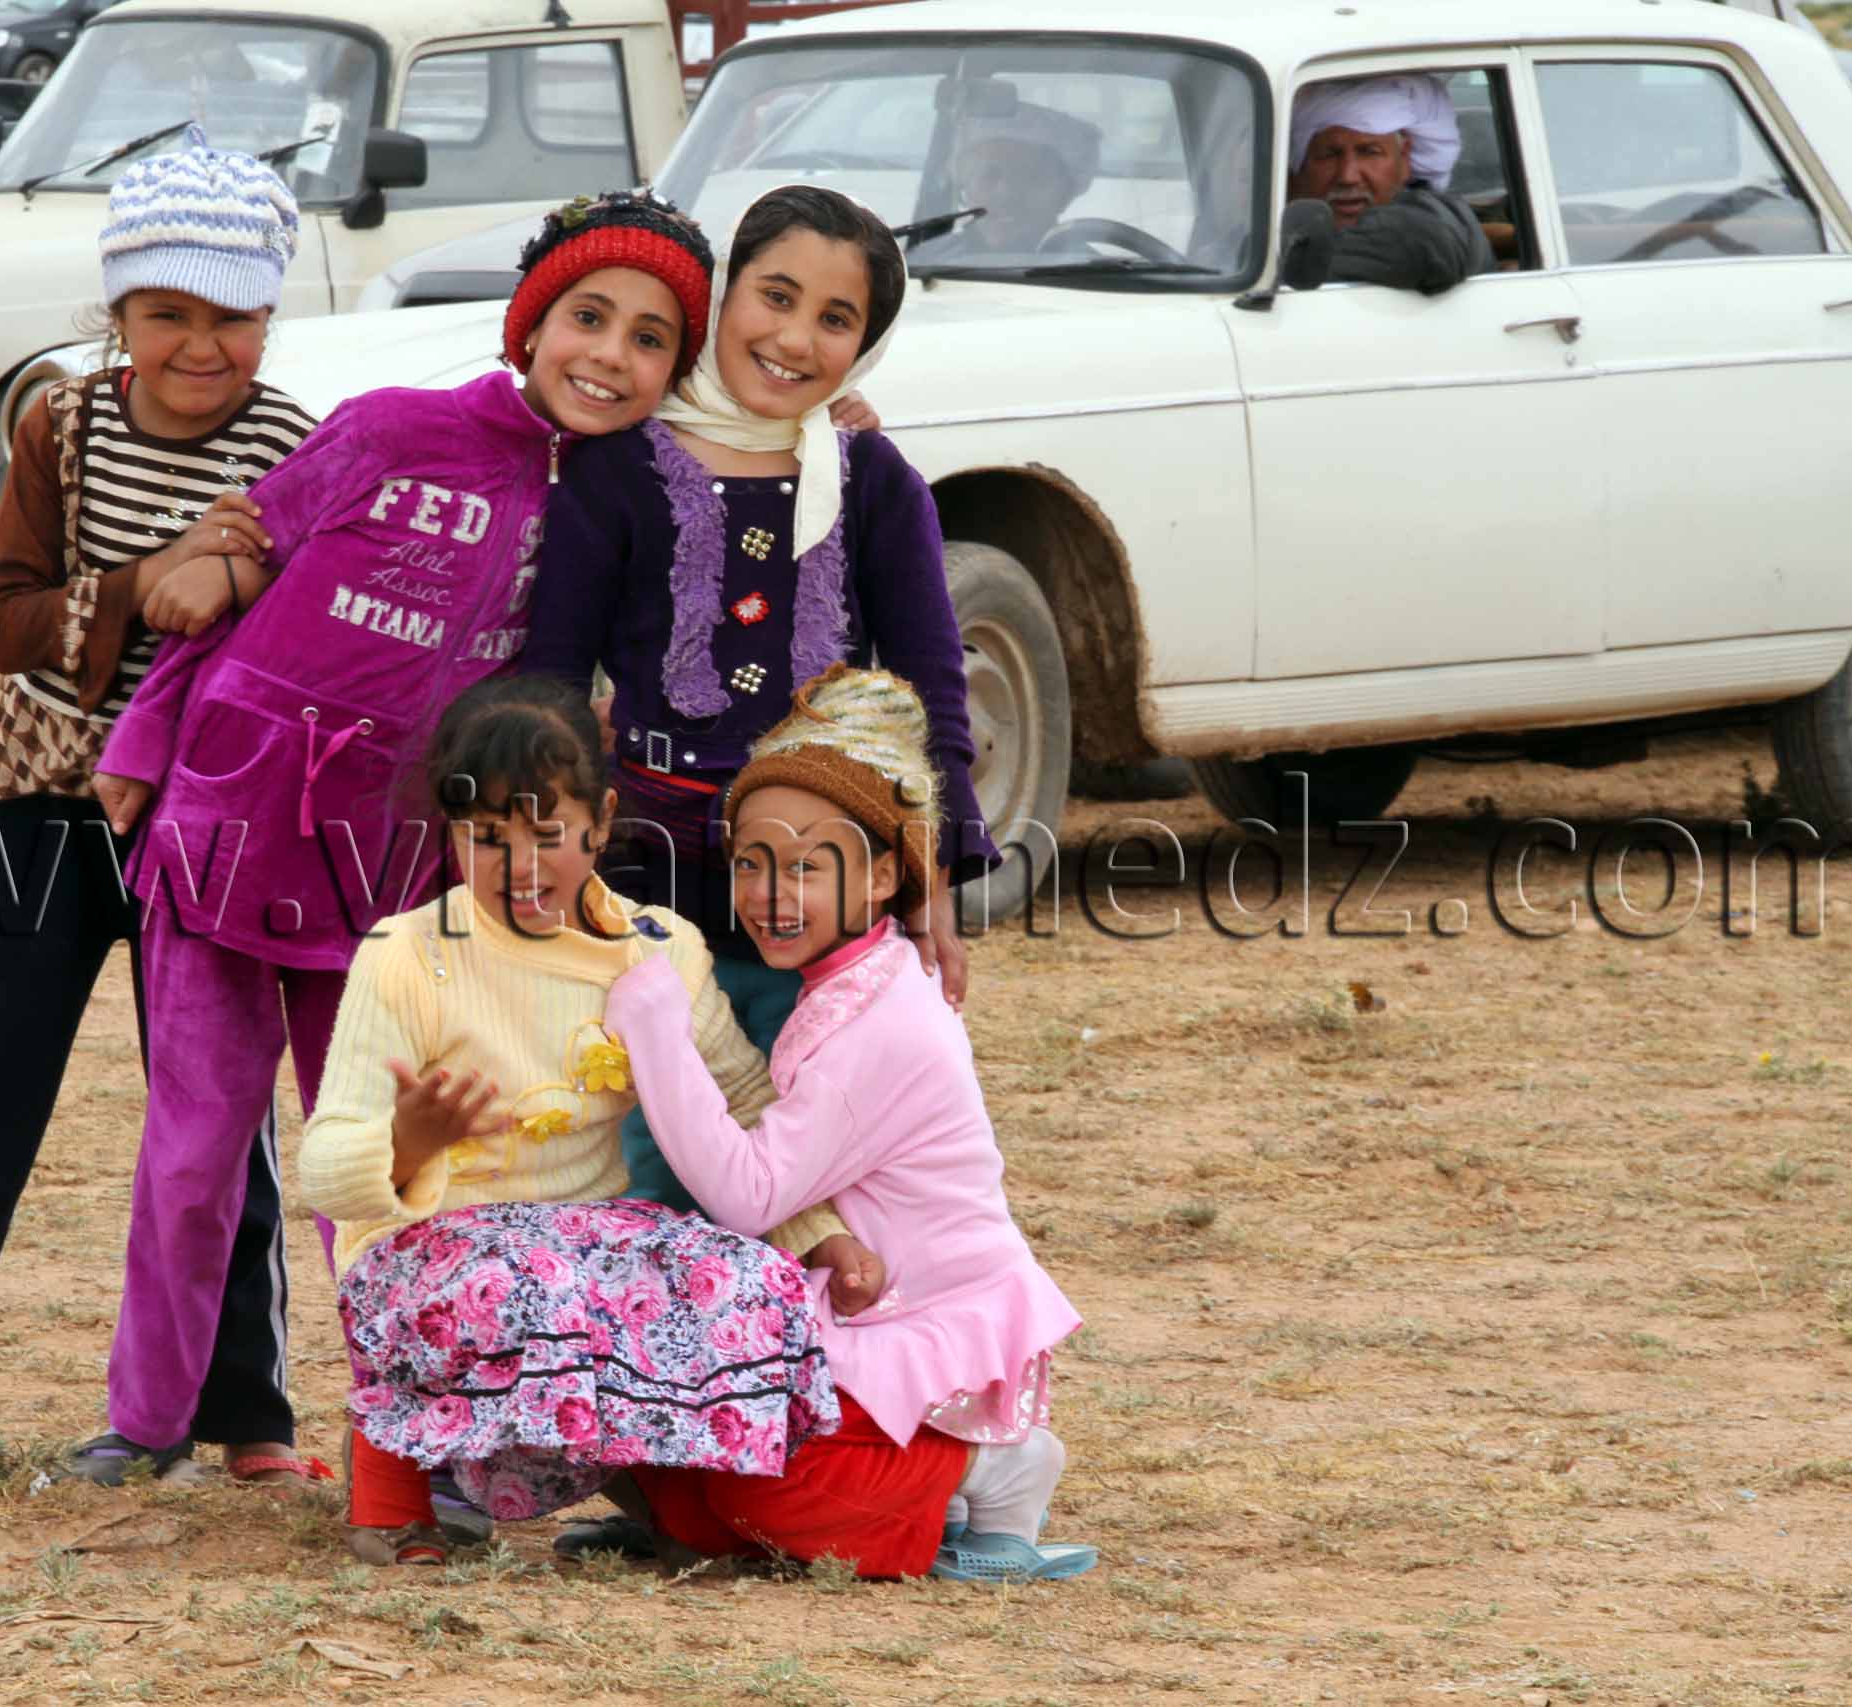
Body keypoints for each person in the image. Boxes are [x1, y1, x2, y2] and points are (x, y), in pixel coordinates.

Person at [73, 190, 735, 1484]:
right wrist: (141, 748)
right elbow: (231, 572)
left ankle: (408, 1428)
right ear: (530, 324)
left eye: (651, 338)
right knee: (194, 1151)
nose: (609, 355)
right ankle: (143, 1422)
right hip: (225, 827)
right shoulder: (389, 429)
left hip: (388, 875)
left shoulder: (630, 510)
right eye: (587, 317)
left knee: (384, 1153)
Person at [0, 132, 316, 1513]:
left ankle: (244, 1406)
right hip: (43, 809)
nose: (200, 345)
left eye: (234, 315)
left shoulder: (296, 451)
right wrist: (155, 578)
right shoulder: (61, 427)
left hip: (211, 829)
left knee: (220, 1118)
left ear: (271, 311)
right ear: (119, 310)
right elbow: (8, 622)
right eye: (167, 313)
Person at [297, 676, 882, 1564]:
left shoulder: (659, 949)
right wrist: (405, 1144)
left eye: (547, 835)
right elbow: (323, 1166)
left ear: (601, 821)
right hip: (427, 1254)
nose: (520, 866)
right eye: (486, 838)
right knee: (539, 1280)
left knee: (738, 1277)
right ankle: (392, 1483)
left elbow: (742, 1104)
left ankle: (671, 1497)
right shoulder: (406, 954)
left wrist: (816, 1229)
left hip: (588, 1249)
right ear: (450, 833)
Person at [521, 185, 993, 1216]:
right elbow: (551, 683)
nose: (793, 338)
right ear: (724, 294)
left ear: (865, 345)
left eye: (836, 318)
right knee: (645, 1156)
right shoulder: (615, 471)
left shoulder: (873, 482)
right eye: (774, 296)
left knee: (798, 1165)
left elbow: (932, 697)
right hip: (643, 880)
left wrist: (933, 883)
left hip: (814, 898)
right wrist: (549, 856)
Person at [607, 666, 1093, 1584]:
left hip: (912, 1329)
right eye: (751, 861)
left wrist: (654, 1026)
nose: (769, 892)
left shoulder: (882, 1018)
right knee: (685, 1492)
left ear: (882, 874)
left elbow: (751, 1193)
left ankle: (985, 1464)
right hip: (855, 1317)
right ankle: (915, 1486)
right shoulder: (848, 981)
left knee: (766, 1500)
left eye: (806, 866)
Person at [1287, 74, 1493, 295]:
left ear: (1404, 158)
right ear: (1297, 170)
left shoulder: (1431, 224)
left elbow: (1426, 242)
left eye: (1369, 152)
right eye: (1330, 155)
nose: (1347, 176)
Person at [923, 99, 1102, 254]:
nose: (1005, 193)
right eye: (989, 174)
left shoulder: (1092, 274)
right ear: (965, 186)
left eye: (1029, 177)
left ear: (1064, 195)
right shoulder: (927, 263)